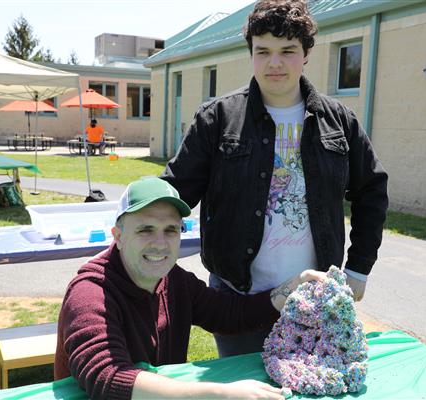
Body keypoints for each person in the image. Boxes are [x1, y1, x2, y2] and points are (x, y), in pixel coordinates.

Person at [161, 0, 388, 357]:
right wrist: (138, 231)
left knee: (311, 382)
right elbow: (173, 194)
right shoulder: (217, 118)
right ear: (251, 54)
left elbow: (371, 191)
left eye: (287, 51)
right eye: (263, 51)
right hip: (237, 296)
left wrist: (359, 268)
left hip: (316, 296)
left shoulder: (339, 121)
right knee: (242, 384)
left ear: (306, 53)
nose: (275, 63)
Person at [54, 177, 325, 400]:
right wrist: (220, 393)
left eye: (171, 230)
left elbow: (230, 314)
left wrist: (292, 288)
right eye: (145, 229)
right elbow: (107, 378)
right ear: (118, 236)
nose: (160, 243)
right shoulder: (90, 293)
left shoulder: (175, 281)